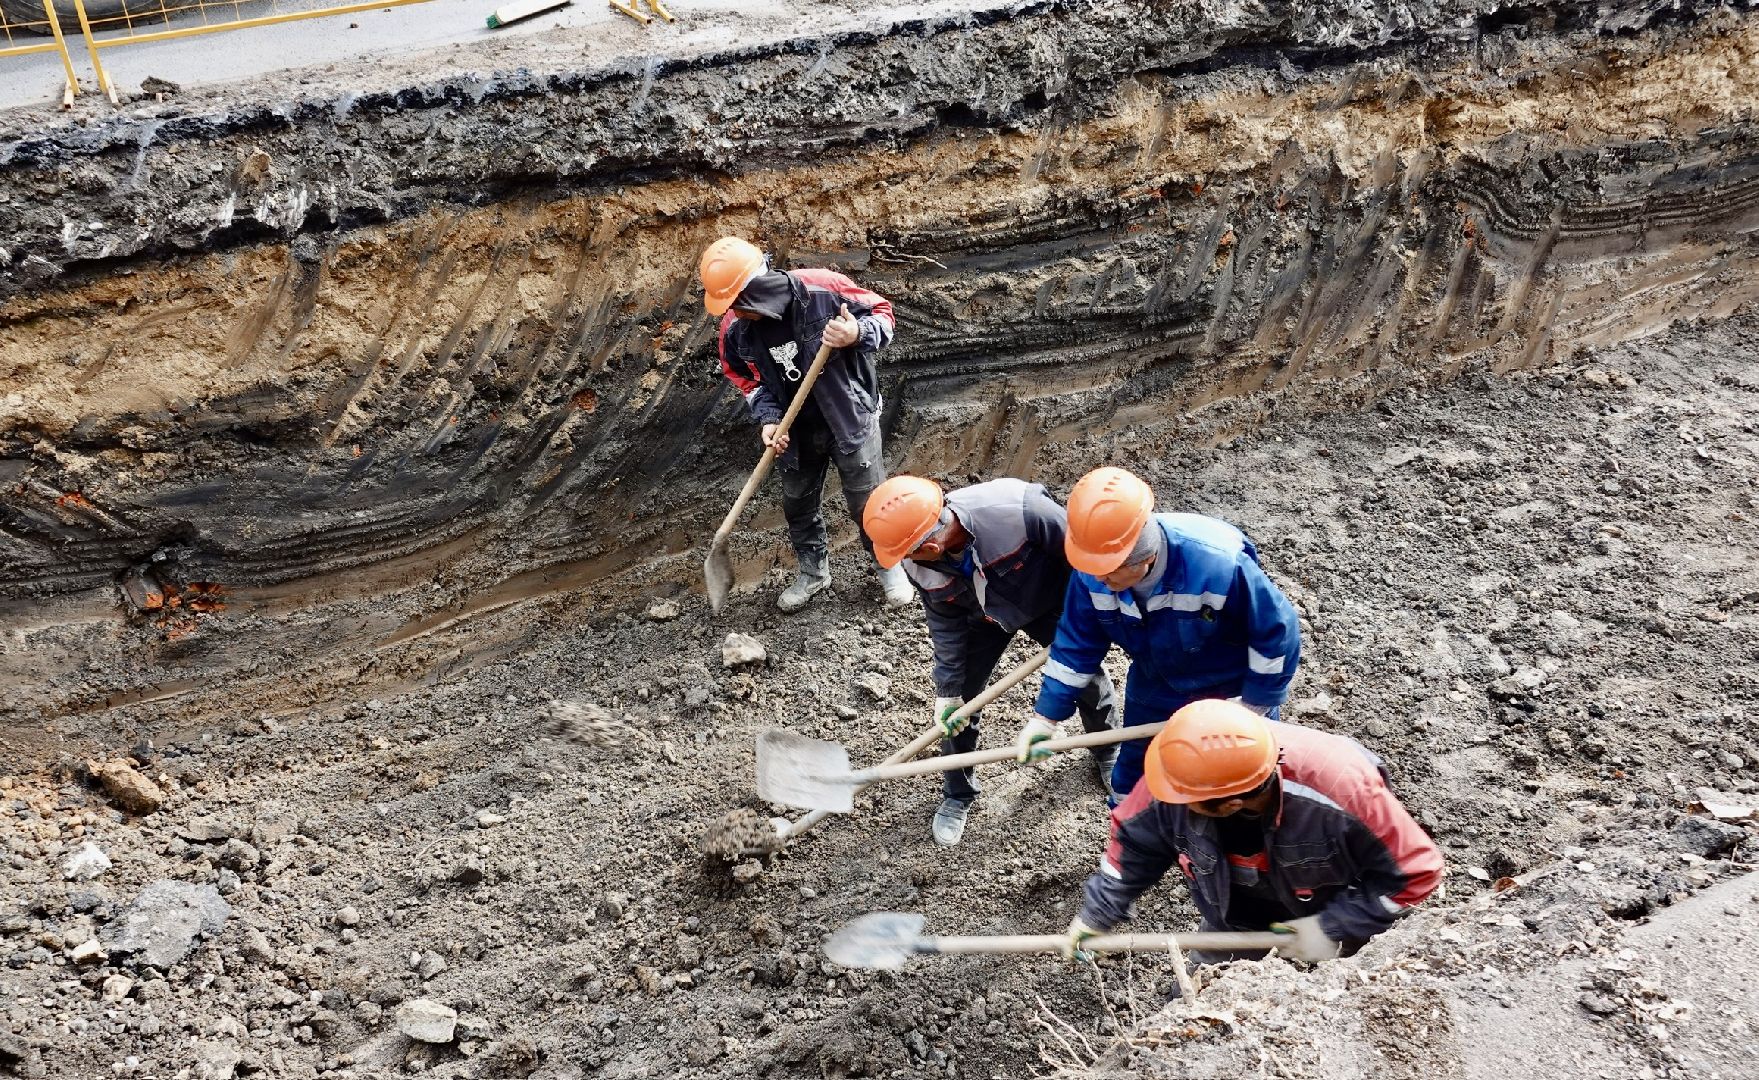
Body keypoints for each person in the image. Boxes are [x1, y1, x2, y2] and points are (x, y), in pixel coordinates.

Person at [1064, 699, 1443, 966]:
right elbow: (1133, 847)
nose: (1167, 799)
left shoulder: (1341, 791)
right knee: (1196, 1000)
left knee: (1348, 1002)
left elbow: (1416, 872)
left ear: (1230, 803)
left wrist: (1332, 928)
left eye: (1183, 799)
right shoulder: (1181, 775)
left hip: (1335, 903)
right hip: (1231, 911)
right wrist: (1096, 916)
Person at [1016, 466, 1301, 802]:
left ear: (1145, 555)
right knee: (1133, 777)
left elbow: (1276, 634)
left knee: (1242, 782)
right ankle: (1129, 840)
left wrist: (1253, 706)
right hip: (1156, 683)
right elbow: (1076, 646)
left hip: (1232, 688)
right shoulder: (1093, 573)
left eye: (1108, 570)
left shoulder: (1219, 565)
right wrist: (1046, 717)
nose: (1099, 579)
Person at [864, 476, 1122, 846]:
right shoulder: (918, 564)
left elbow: (1083, 560)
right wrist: (948, 691)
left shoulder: (1021, 511)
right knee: (959, 710)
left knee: (1083, 677)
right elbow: (944, 621)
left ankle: (1107, 746)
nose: (903, 561)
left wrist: (1083, 622)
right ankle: (958, 792)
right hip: (980, 615)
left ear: (933, 544)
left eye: (908, 553)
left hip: (1048, 602)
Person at [701, 236, 914, 612]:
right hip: (794, 429)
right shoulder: (735, 330)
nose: (731, 312)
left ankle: (889, 568)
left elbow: (882, 313)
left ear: (757, 290)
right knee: (797, 503)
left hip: (849, 415)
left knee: (867, 501)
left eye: (737, 303)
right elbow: (746, 380)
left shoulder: (820, 289)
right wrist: (769, 420)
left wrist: (856, 334)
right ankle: (814, 572)